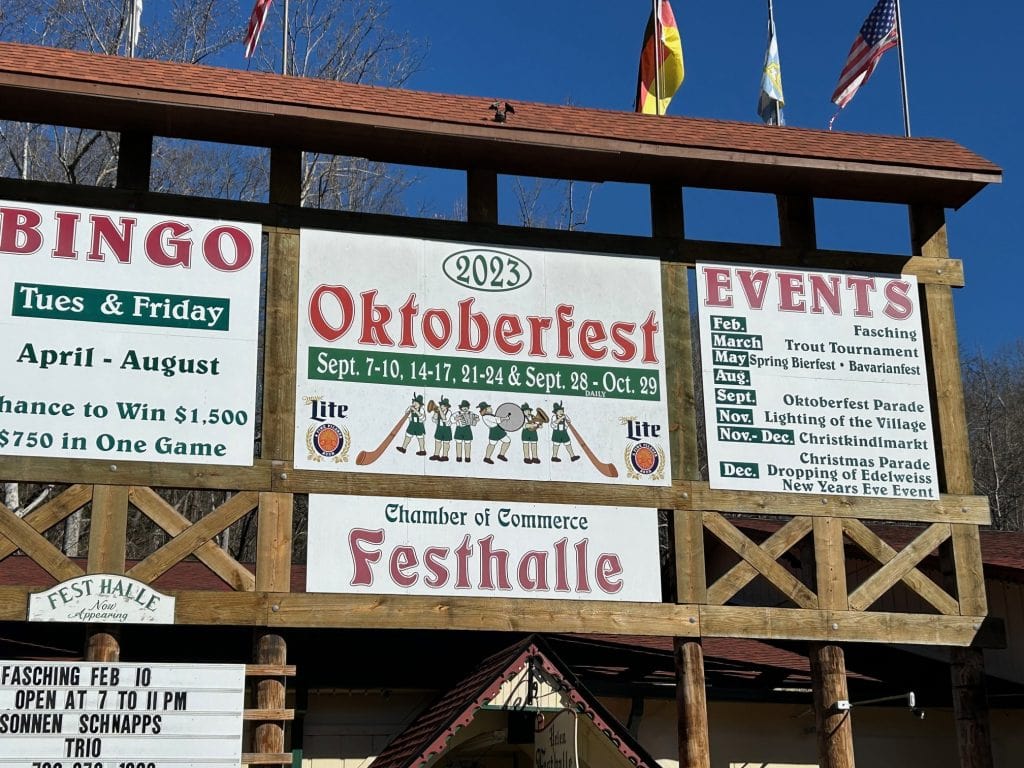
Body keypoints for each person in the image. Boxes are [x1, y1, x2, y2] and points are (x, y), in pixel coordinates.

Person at [430, 396, 453, 461]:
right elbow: (434, 420)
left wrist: (440, 411)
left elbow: (445, 418)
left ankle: (445, 456)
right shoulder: (438, 411)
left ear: (446, 407)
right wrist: (435, 413)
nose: (441, 407)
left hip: (446, 429)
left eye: (443, 406)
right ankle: (436, 455)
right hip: (439, 429)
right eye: (441, 406)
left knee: (446, 443)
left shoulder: (449, 412)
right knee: (437, 442)